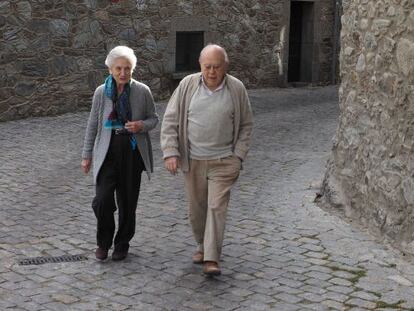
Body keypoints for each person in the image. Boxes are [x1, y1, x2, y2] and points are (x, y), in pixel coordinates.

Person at [160, 44, 253, 275]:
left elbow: (246, 125)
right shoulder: (187, 85)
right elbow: (170, 120)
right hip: (193, 160)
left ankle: (212, 258)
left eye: (217, 67)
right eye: (207, 66)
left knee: (215, 207)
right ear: (200, 65)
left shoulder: (236, 88)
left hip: (224, 161)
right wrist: (171, 151)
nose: (212, 72)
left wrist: (238, 156)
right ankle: (202, 245)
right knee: (197, 210)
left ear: (226, 67)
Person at [81, 46, 158, 261]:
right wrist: (86, 155)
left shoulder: (142, 91)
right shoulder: (101, 92)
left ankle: (122, 243)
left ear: (132, 69)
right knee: (102, 200)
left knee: (128, 201)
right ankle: (103, 243)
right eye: (118, 69)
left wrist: (141, 125)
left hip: (132, 152)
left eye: (127, 69)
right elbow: (92, 125)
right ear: (110, 70)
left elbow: (154, 119)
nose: (123, 73)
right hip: (107, 151)